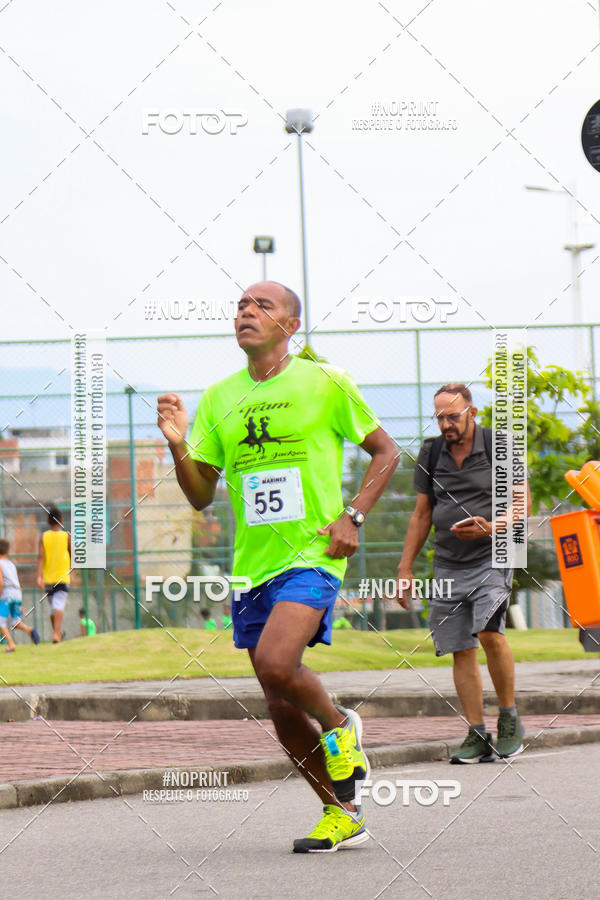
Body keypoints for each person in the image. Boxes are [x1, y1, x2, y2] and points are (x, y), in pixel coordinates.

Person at [157, 281, 398, 852]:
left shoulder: (324, 381)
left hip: (312, 554)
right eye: (241, 305)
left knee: (276, 661)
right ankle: (342, 812)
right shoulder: (219, 397)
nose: (247, 311)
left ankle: (340, 724)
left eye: (262, 305)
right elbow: (200, 496)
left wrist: (353, 516)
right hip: (251, 567)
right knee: (279, 704)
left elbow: (387, 452)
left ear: (291, 325)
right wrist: (177, 443)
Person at [397, 383, 531, 763]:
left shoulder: (499, 445)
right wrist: (405, 568)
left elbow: (522, 504)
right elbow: (422, 514)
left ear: (472, 412)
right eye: (440, 418)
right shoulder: (431, 452)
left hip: (494, 554)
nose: (446, 424)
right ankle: (476, 733)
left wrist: (491, 527)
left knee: (488, 631)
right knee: (459, 647)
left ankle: (509, 718)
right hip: (448, 561)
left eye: (453, 416)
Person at [37, 506, 71, 643]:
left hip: (48, 578)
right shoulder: (66, 536)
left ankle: (56, 634)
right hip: (62, 576)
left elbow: (40, 557)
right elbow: (72, 554)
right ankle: (57, 633)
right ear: (61, 521)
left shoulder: (43, 537)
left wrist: (39, 576)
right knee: (56, 607)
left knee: (55, 606)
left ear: (47, 521)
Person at [0, 539, 39, 649]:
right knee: (15, 621)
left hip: (6, 593)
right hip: (17, 593)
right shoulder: (11, 564)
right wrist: (20, 604)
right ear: (8, 551)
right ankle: (29, 630)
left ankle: (11, 644)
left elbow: (1, 582)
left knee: (1, 622)